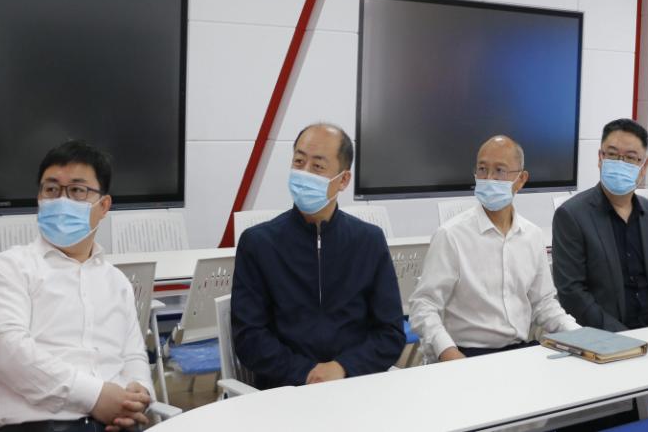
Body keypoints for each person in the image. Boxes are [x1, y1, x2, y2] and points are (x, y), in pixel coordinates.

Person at [0, 140, 154, 432]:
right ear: (39, 199)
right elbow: (6, 350)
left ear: (104, 206)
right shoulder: (11, 267)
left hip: (116, 423)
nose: (62, 201)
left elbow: (133, 355)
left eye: (77, 190)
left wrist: (138, 395)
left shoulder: (116, 282)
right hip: (36, 425)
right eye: (52, 189)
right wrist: (95, 397)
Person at [231, 123, 405, 389]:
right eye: (299, 162)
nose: (304, 173)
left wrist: (343, 367)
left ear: (343, 180)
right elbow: (249, 337)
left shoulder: (369, 241)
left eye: (318, 167)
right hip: (285, 389)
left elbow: (390, 333)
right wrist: (306, 373)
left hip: (355, 385)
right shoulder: (258, 243)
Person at [409, 136, 578, 361]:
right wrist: (448, 353)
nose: (489, 178)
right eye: (482, 169)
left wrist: (580, 335)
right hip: (466, 353)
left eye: (500, 170)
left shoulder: (532, 236)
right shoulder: (451, 235)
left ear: (521, 179)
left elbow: (544, 304)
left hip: (519, 352)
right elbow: (424, 305)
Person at [552, 118, 648, 332]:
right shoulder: (572, 216)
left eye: (630, 158)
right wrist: (622, 337)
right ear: (600, 158)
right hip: (603, 337)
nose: (620, 163)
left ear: (644, 166)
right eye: (612, 154)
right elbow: (571, 293)